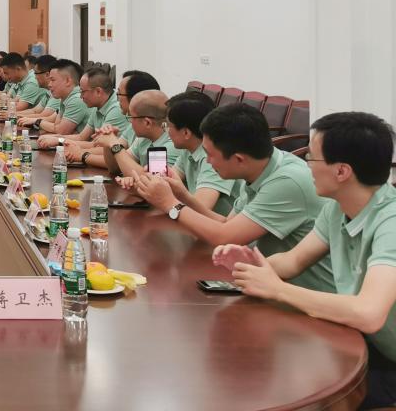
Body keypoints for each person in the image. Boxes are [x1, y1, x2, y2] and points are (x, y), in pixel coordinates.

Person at [223, 112, 396, 408]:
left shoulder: (390, 223)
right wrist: (250, 265)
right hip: (367, 343)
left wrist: (278, 290)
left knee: (296, 389)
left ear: (341, 172)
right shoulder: (337, 208)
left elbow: (369, 312)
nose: (306, 165)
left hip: (388, 362)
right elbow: (292, 261)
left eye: (312, 158)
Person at [136, 103, 334, 292]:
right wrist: (182, 195)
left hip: (307, 298)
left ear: (239, 159)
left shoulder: (287, 181)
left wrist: (170, 204)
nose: (208, 161)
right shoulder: (261, 166)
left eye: (210, 155)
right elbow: (226, 224)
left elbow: (225, 236)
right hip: (267, 284)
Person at [122, 91, 236, 216]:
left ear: (186, 133)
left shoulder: (213, 157)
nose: (166, 131)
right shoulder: (188, 150)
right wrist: (140, 186)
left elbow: (201, 209)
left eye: (168, 126)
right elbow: (164, 186)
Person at [98, 89, 187, 178]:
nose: (130, 121)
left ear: (147, 122)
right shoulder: (144, 138)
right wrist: (108, 142)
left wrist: (114, 145)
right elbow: (115, 168)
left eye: (131, 116)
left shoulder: (172, 144)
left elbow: (153, 181)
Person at [29, 59, 89, 138]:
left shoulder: (77, 99)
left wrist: (39, 122)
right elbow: (57, 126)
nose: (49, 84)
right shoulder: (65, 97)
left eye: (53, 80)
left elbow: (61, 131)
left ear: (68, 81)